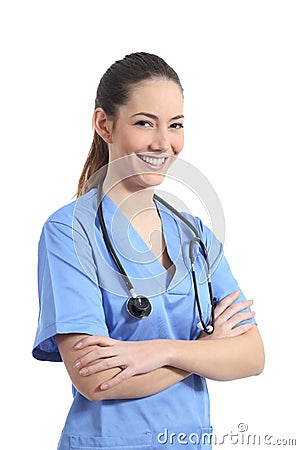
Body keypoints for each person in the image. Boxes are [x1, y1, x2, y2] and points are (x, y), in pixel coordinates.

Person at [32, 52, 264, 450]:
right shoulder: (70, 232)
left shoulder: (195, 236)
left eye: (175, 125)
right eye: (144, 123)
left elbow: (252, 355)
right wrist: (205, 351)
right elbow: (95, 380)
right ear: (105, 124)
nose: (163, 143)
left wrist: (158, 353)